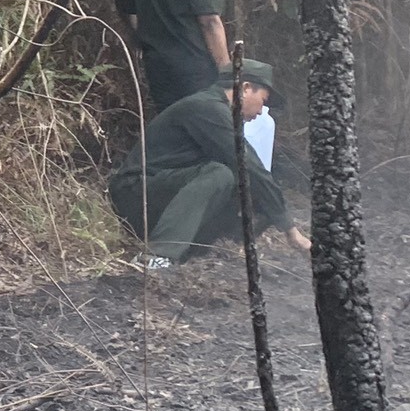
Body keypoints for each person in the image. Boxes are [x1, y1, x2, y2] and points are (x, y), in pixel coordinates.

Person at [107, 68, 310, 269]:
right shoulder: (206, 108)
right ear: (246, 88)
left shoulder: (216, 109)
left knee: (260, 195)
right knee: (221, 174)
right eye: (263, 102)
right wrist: (291, 230)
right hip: (135, 195)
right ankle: (156, 256)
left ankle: (202, 253)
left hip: (167, 197)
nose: (260, 112)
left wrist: (277, 214)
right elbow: (248, 165)